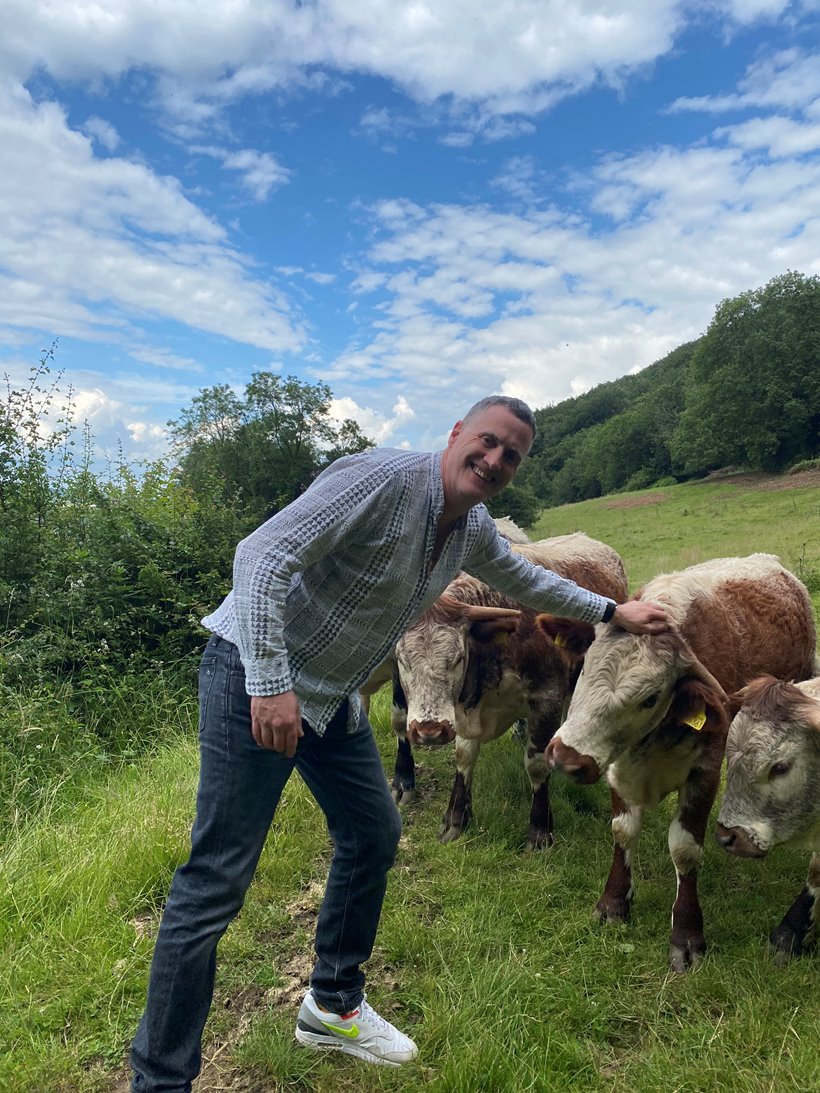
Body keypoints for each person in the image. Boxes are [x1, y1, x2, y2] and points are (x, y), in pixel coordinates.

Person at [129, 395, 668, 1089]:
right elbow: (259, 556)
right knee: (215, 882)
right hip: (254, 678)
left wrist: (610, 609)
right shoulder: (380, 479)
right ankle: (160, 1078)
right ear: (456, 434)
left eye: (513, 454)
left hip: (330, 694)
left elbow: (520, 575)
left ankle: (332, 1003)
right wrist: (268, 682)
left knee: (373, 833)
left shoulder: (469, 523)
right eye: (488, 441)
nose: (496, 459)